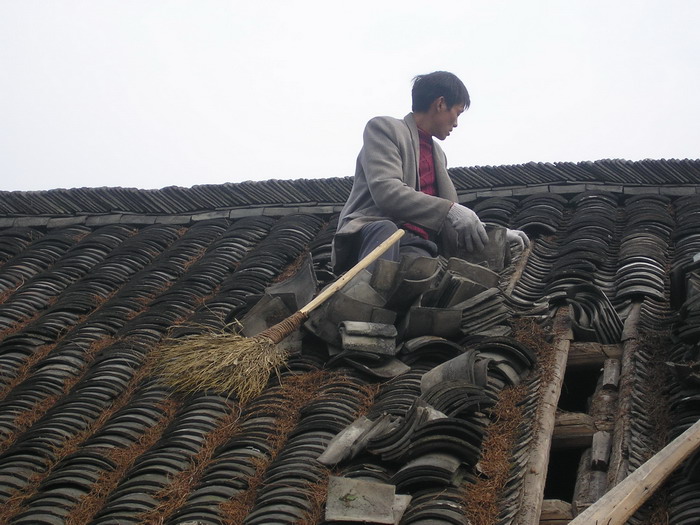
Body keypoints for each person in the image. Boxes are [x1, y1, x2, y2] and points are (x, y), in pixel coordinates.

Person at [331, 71, 529, 273]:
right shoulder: (384, 129)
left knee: (424, 269)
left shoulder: (439, 156)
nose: (456, 123)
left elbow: (448, 217)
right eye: (457, 113)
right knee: (387, 232)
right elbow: (387, 191)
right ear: (441, 103)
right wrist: (451, 210)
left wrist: (496, 234)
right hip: (372, 234)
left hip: (414, 245)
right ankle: (361, 294)